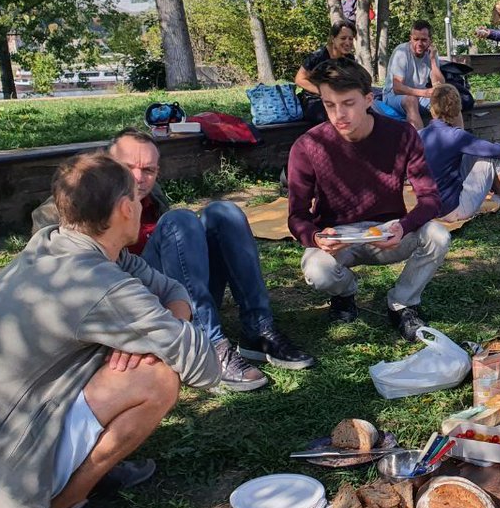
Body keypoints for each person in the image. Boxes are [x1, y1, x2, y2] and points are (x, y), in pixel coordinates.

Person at [0, 153, 220, 508]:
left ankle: (84, 466)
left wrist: (149, 329)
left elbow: (172, 288)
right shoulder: (100, 283)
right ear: (125, 208)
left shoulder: (57, 244)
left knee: (140, 356)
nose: (141, 202)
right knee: (155, 379)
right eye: (137, 197)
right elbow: (204, 366)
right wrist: (153, 337)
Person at [32, 130, 315, 391]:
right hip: (127, 302)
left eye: (148, 170)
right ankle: (208, 343)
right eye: (128, 167)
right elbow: (60, 286)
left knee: (224, 212)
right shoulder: (69, 204)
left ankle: (258, 327)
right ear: (105, 164)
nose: (138, 177)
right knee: (180, 220)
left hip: (176, 294)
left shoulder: (150, 195)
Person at [288, 60, 450, 340]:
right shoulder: (308, 145)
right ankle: (345, 293)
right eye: (329, 105)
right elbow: (296, 215)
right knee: (316, 270)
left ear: (368, 99)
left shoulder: (401, 134)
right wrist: (315, 237)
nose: (339, 114)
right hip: (338, 238)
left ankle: (403, 303)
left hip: (388, 231)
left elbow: (430, 198)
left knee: (438, 235)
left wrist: (405, 226)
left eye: (348, 103)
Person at [418, 83, 500, 221]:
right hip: (452, 210)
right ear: (457, 108)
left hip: (428, 208)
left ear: (432, 107)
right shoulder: (456, 136)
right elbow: (496, 152)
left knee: (479, 154)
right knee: (497, 156)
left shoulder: (419, 134)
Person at [380, 20, 446, 129]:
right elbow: (397, 88)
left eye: (424, 40)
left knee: (446, 99)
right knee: (411, 100)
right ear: (411, 38)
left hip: (418, 95)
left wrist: (433, 60)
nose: (419, 44)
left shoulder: (432, 53)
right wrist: (424, 93)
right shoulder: (401, 52)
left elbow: (439, 84)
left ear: (430, 40)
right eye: (416, 39)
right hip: (393, 95)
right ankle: (419, 143)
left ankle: (455, 139)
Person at [294, 19, 358, 96]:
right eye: (343, 38)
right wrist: (323, 92)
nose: (348, 43)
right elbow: (299, 79)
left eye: (350, 39)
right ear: (333, 39)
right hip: (314, 98)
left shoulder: (349, 58)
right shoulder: (318, 56)